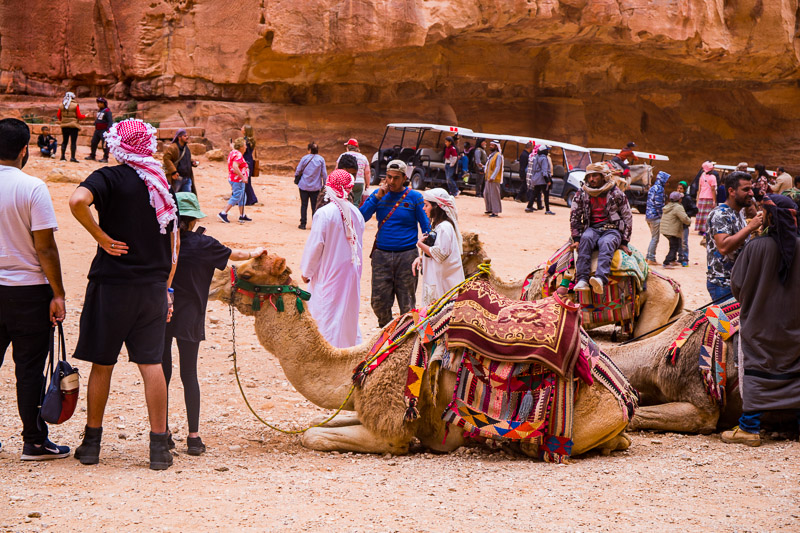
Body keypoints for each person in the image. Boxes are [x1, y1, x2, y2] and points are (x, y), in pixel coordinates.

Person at [69, 118, 180, 470]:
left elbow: (76, 201)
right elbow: (174, 244)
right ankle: (159, 449)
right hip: (151, 290)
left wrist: (101, 238)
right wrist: (167, 289)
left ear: (117, 144)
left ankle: (91, 446)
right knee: (151, 364)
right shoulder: (161, 184)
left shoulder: (109, 177)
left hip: (112, 287)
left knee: (103, 364)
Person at [164, 192, 264, 455]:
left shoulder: (163, 242)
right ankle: (194, 438)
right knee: (189, 374)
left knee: (162, 373)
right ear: (194, 219)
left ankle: (161, 431)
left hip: (161, 312)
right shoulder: (205, 244)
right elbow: (236, 255)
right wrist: (256, 252)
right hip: (190, 315)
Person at [0, 118, 69, 460]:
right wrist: (58, 293)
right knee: (29, 368)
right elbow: (45, 247)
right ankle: (34, 441)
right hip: (28, 292)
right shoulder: (33, 188)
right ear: (25, 149)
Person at [722, 194, 800, 447]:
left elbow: (737, 285)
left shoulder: (756, 246)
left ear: (770, 217)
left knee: (758, 366)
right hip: (795, 325)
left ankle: (749, 428)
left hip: (759, 321)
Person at [360, 159, 431, 328]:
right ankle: (387, 331)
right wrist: (376, 197)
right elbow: (361, 217)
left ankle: (405, 336)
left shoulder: (415, 197)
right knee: (378, 302)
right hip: (381, 256)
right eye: (388, 177)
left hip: (407, 256)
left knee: (407, 303)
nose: (391, 182)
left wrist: (426, 252)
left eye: (396, 178)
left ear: (404, 177)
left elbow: (426, 226)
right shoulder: (378, 195)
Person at [301, 169, 365, 347]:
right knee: (346, 313)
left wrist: (307, 271)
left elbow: (315, 246)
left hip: (328, 273)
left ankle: (327, 354)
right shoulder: (356, 213)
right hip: (350, 274)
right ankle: (347, 351)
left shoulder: (324, 214)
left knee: (326, 313)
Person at [569, 162, 633, 294]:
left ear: (603, 176)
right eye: (589, 176)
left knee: (606, 243)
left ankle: (600, 279)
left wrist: (624, 241)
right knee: (585, 240)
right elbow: (575, 215)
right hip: (592, 228)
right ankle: (582, 280)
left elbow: (627, 216)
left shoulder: (616, 193)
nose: (591, 179)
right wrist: (576, 237)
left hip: (612, 229)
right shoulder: (582, 193)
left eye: (595, 176)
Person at [704, 171, 763, 302]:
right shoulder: (720, 214)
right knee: (725, 323)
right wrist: (750, 227)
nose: (751, 193)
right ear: (731, 191)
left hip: (736, 283)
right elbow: (724, 247)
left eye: (751, 189)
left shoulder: (738, 212)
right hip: (723, 285)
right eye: (746, 189)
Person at [412, 188, 465, 306]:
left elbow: (440, 254)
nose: (423, 209)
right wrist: (421, 259)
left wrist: (420, 244)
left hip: (444, 285)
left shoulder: (444, 228)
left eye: (426, 205)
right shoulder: (440, 226)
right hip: (440, 282)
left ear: (436, 207)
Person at [217, 138, 251, 224]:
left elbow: (233, 148)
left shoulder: (233, 152)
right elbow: (235, 166)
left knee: (242, 196)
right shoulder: (238, 155)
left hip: (234, 178)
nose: (246, 147)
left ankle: (242, 215)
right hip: (237, 180)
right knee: (237, 196)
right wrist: (242, 177)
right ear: (241, 147)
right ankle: (223, 213)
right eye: (244, 145)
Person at [295, 142, 327, 230]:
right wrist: (325, 184)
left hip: (304, 185)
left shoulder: (304, 158)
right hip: (316, 187)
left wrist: (296, 177)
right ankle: (315, 224)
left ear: (309, 150)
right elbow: (324, 173)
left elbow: (298, 170)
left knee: (304, 205)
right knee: (315, 206)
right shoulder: (321, 160)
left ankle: (303, 223)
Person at [644, 171, 670, 265]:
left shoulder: (652, 188)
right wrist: (662, 215)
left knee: (653, 237)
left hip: (648, 216)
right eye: (666, 181)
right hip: (655, 217)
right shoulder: (659, 189)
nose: (668, 183)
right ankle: (651, 258)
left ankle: (648, 257)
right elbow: (658, 205)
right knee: (655, 238)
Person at [660, 191, 691, 268]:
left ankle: (673, 260)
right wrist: (689, 221)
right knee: (674, 246)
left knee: (674, 244)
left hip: (665, 229)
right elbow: (684, 218)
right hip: (672, 230)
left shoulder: (668, 206)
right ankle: (666, 262)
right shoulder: (678, 207)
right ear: (679, 199)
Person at [162, 129, 198, 195]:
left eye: (187, 135)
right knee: (175, 197)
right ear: (179, 137)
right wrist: (173, 172)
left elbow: (186, 158)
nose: (187, 137)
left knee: (187, 198)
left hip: (187, 178)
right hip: (177, 179)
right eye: (184, 136)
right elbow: (166, 158)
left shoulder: (186, 148)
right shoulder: (173, 148)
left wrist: (192, 162)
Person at [336, 138, 370, 206]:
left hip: (346, 181)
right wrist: (367, 184)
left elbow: (337, 169)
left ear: (348, 147)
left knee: (345, 201)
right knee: (356, 203)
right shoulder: (363, 157)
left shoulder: (343, 156)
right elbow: (367, 172)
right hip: (359, 182)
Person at [57, 91, 87, 162]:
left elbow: (58, 115)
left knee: (64, 141)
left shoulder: (62, 105)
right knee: (73, 142)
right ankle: (72, 157)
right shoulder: (75, 105)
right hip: (73, 126)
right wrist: (85, 116)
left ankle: (62, 156)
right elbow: (79, 116)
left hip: (64, 126)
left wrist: (63, 120)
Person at [525, 145, 554, 215]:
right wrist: (547, 180)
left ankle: (528, 207)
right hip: (542, 179)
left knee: (535, 193)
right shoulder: (544, 158)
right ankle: (547, 210)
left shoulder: (536, 157)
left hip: (536, 178)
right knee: (546, 194)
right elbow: (544, 171)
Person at [676, 181, 697, 267]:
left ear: (684, 189)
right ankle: (680, 258)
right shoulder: (676, 198)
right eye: (678, 188)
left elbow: (695, 210)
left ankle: (685, 259)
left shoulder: (687, 199)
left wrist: (685, 214)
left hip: (684, 224)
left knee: (684, 242)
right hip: (677, 224)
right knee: (678, 242)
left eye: (681, 188)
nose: (679, 190)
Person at [694, 161, 718, 237]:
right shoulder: (713, 177)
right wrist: (714, 200)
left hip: (701, 197)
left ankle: (700, 230)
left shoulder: (702, 176)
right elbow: (713, 189)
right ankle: (706, 230)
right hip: (709, 197)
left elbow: (699, 188)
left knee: (701, 214)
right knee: (708, 214)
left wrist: (698, 199)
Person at [85, 97, 112, 162]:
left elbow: (110, 121)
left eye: (100, 103)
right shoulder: (99, 111)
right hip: (97, 130)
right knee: (93, 142)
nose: (98, 104)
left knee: (104, 144)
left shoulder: (107, 111)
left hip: (104, 130)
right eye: (98, 103)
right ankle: (92, 155)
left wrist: (108, 130)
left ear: (104, 103)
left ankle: (105, 158)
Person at [484, 140, 504, 218]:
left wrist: (493, 176)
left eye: (492, 145)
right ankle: (489, 209)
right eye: (490, 145)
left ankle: (495, 212)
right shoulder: (491, 155)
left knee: (494, 195)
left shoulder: (498, 155)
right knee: (486, 194)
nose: (490, 146)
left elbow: (497, 167)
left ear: (496, 146)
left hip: (493, 179)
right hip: (488, 178)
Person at [241, 125, 259, 206]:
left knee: (245, 180)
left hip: (245, 161)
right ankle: (249, 198)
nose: (241, 129)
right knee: (247, 180)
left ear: (245, 131)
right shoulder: (251, 140)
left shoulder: (245, 141)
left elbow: (242, 151)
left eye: (242, 128)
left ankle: (251, 199)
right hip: (250, 160)